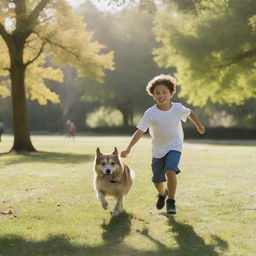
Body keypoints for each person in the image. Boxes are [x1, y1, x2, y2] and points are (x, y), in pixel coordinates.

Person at [121, 74, 205, 215]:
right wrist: (128, 147)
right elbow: (140, 131)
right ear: (153, 95)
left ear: (171, 93)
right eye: (157, 93)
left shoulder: (177, 108)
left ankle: (171, 201)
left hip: (175, 146)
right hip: (158, 150)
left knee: (171, 169)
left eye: (164, 92)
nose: (161, 95)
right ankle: (162, 194)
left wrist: (199, 125)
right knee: (157, 180)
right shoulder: (150, 113)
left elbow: (190, 113)